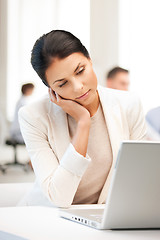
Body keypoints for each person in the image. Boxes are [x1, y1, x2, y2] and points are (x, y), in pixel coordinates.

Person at [18, 30, 147, 207]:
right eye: (63, 84)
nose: (78, 87)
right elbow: (59, 198)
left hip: (102, 218)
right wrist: (83, 123)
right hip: (47, 218)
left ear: (90, 61)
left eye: (80, 71)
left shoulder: (129, 104)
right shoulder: (33, 116)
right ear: (50, 89)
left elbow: (139, 178)